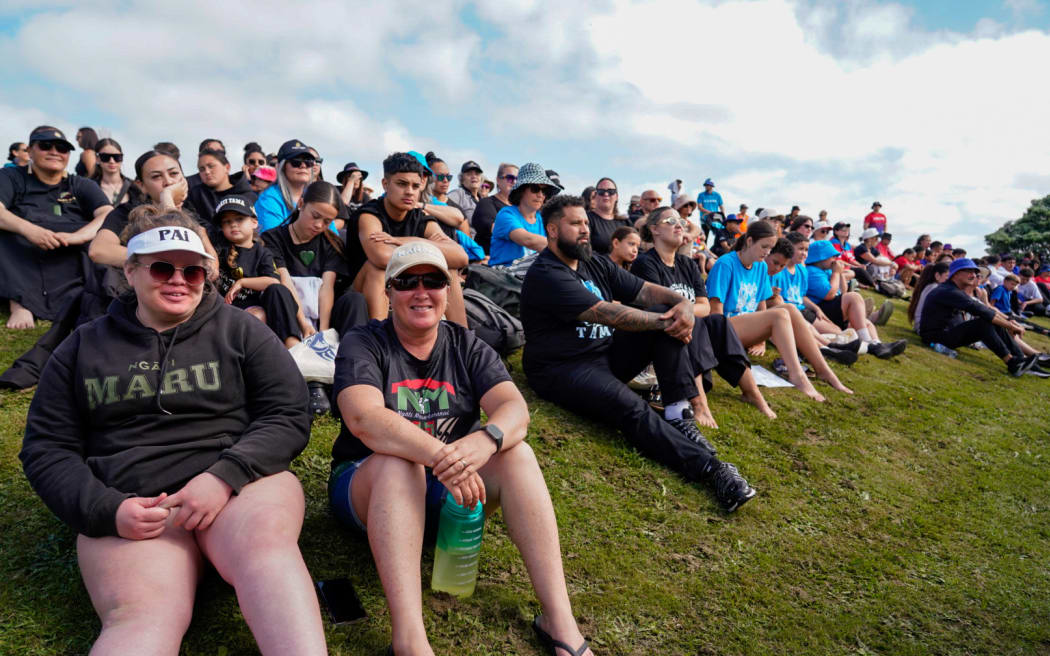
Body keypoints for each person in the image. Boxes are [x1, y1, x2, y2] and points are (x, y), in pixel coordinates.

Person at [19, 206, 328, 654]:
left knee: (268, 559)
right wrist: (108, 510)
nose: (179, 280)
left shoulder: (240, 330)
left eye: (194, 271)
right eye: (162, 268)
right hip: (134, 502)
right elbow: (47, 448)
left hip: (239, 488)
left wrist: (225, 476)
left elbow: (287, 412)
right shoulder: (83, 346)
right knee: (144, 618)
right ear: (131, 270)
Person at [328, 241, 592, 656]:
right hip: (370, 488)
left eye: (432, 280)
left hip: (450, 492)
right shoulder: (365, 341)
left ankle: (559, 618)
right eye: (406, 282)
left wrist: (485, 440)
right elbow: (364, 419)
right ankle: (410, 638)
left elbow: (514, 410)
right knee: (401, 465)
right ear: (390, 292)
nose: (421, 291)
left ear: (448, 290)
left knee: (516, 452)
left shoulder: (466, 344)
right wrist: (442, 456)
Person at [521, 194, 757, 512]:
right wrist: (669, 320)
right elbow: (604, 313)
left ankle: (677, 412)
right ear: (551, 230)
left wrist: (681, 305)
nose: (585, 230)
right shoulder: (547, 273)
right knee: (631, 408)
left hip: (603, 353)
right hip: (563, 367)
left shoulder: (593, 260)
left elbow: (643, 290)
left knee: (663, 312)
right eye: (575, 223)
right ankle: (711, 470)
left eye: (586, 223)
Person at [632, 207, 775, 426]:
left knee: (717, 321)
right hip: (661, 339)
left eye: (681, 221)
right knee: (692, 318)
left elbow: (705, 306)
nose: (679, 225)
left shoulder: (687, 264)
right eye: (671, 221)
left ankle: (753, 394)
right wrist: (688, 310)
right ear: (654, 230)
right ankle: (699, 403)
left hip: (687, 331)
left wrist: (687, 309)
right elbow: (660, 307)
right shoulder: (646, 263)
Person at [706, 220, 853, 401]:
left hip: (743, 328)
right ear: (750, 241)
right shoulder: (725, 264)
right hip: (722, 330)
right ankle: (797, 375)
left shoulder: (759, 266)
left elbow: (760, 307)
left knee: (789, 308)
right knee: (780, 313)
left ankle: (824, 371)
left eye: (771, 247)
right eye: (765, 246)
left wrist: (759, 339)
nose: (768, 251)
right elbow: (715, 314)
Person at [0, 126, 112, 328]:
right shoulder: (11, 177)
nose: (54, 152)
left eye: (62, 148)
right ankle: (19, 303)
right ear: (31, 150)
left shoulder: (81, 184)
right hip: (23, 246)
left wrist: (78, 236)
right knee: (6, 234)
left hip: (68, 244)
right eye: (45, 146)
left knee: (99, 240)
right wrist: (30, 230)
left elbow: (107, 214)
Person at [346, 153, 468, 326]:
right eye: (402, 184)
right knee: (378, 269)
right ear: (385, 184)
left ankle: (462, 340)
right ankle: (379, 342)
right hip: (359, 294)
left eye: (415, 186)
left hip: (406, 283)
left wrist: (408, 240)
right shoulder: (369, 214)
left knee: (450, 270)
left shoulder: (419, 217)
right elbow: (382, 258)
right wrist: (431, 248)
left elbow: (460, 256)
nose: (410, 191)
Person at [262, 181, 367, 344]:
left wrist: (323, 333)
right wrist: (303, 324)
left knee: (355, 300)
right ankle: (292, 349)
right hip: (288, 313)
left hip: (321, 314)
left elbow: (327, 287)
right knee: (277, 290)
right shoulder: (273, 238)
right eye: (315, 216)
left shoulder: (332, 244)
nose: (319, 225)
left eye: (327, 222)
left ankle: (354, 355)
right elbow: (285, 281)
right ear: (301, 204)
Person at [89, 149, 218, 272]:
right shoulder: (126, 213)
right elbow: (98, 250)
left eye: (174, 173)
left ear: (184, 179)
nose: (168, 182)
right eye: (156, 176)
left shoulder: (195, 215)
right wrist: (157, 262)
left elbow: (212, 267)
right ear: (141, 186)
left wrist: (168, 201)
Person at [917, 258, 1046, 377]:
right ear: (955, 274)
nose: (973, 275)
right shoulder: (949, 291)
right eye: (969, 271)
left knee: (991, 322)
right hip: (935, 337)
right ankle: (1012, 362)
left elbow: (985, 309)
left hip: (947, 333)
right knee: (983, 323)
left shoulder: (954, 290)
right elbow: (983, 312)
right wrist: (1012, 326)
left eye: (975, 272)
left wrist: (1011, 324)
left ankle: (1022, 361)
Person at [212, 196, 300, 346]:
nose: (233, 224)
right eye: (227, 222)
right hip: (226, 308)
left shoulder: (262, 252)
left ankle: (291, 345)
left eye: (239, 219)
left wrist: (242, 282)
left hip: (254, 306)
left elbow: (273, 281)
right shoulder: (220, 246)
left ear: (254, 222)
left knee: (276, 293)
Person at [803, 239, 907, 358]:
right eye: (832, 257)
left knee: (866, 323)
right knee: (854, 297)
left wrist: (840, 273)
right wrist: (836, 273)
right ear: (821, 257)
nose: (835, 260)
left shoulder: (826, 270)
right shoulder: (812, 271)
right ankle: (870, 344)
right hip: (821, 310)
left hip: (832, 309)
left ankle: (877, 345)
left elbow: (843, 291)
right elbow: (829, 294)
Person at [489, 163, 559, 268]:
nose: (540, 195)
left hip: (532, 274)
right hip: (503, 275)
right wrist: (564, 247)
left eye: (544, 191)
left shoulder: (543, 219)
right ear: (521, 190)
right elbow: (528, 240)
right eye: (535, 189)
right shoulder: (506, 214)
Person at [254, 139, 315, 232]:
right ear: (281, 167)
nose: (303, 165)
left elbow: (333, 239)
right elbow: (271, 241)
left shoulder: (316, 196)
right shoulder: (268, 199)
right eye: (296, 161)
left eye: (308, 161)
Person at [187, 148, 257, 224]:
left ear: (227, 167)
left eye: (211, 166)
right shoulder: (194, 195)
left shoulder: (249, 197)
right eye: (202, 169)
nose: (207, 172)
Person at [472, 162, 517, 253]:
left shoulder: (521, 208)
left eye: (518, 179)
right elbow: (496, 229)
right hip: (491, 259)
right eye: (510, 178)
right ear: (498, 180)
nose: (515, 182)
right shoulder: (486, 203)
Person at [586, 177, 632, 255]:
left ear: (617, 197)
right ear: (595, 196)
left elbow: (636, 248)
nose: (606, 194)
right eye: (601, 191)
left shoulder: (625, 222)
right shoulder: (586, 219)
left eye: (611, 191)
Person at [907, 262, 950, 333]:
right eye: (947, 276)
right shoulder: (935, 288)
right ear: (937, 275)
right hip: (923, 327)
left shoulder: (930, 286)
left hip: (920, 325)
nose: (948, 279)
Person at [91, 138, 134, 206]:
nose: (112, 161)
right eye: (105, 157)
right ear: (97, 159)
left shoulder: (134, 187)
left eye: (117, 157)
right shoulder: (89, 187)